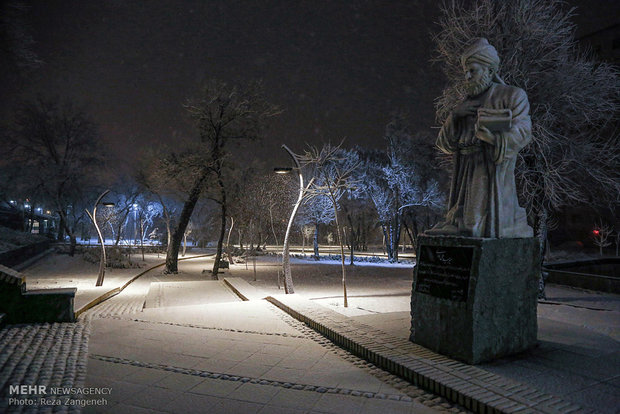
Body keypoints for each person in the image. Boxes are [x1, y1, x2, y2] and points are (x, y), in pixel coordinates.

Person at [427, 38, 533, 238]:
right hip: (464, 168)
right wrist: (455, 116)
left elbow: (523, 131)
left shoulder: (512, 96)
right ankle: (457, 222)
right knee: (460, 219)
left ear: (490, 71)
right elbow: (443, 144)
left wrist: (492, 137)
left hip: (489, 168)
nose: (467, 76)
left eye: (472, 70)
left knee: (474, 226)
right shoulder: (464, 104)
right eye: (465, 71)